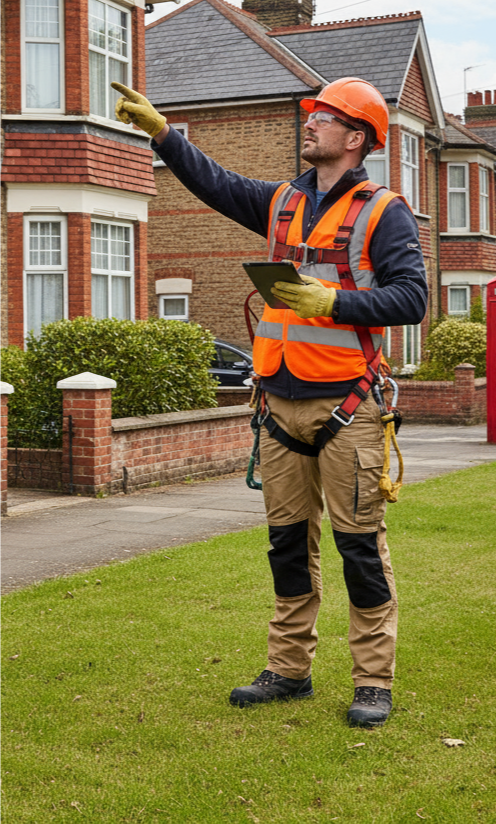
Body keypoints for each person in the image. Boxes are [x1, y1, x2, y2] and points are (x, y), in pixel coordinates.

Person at [112, 77, 428, 728]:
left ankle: (373, 683)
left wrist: (333, 302)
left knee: (360, 549)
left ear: (357, 136)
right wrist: (164, 136)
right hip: (279, 405)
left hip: (347, 407)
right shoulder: (283, 201)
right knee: (287, 547)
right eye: (310, 114)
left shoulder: (382, 211)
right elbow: (219, 184)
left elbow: (412, 299)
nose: (309, 124)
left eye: (325, 117)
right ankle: (288, 671)